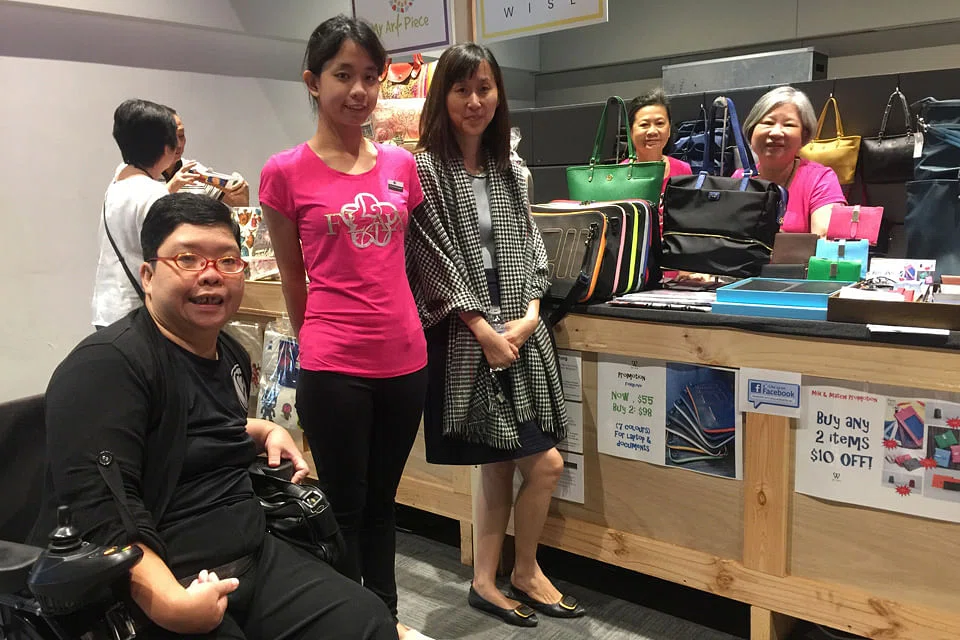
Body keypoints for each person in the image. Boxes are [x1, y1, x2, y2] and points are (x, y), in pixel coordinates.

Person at [33, 193, 397, 639]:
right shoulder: (106, 365)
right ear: (147, 276)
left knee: (366, 620)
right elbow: (101, 508)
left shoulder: (230, 355)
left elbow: (189, 429)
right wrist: (170, 603)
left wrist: (263, 429)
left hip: (251, 557)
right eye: (187, 259)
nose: (211, 275)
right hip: (161, 576)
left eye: (227, 260)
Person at [259, 16, 430, 640]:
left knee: (384, 505)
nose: (359, 91)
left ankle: (384, 619)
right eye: (343, 75)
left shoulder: (401, 165)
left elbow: (406, 262)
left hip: (406, 358)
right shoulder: (284, 171)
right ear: (313, 81)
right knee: (342, 507)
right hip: (334, 363)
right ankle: (344, 623)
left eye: (369, 77)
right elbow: (292, 277)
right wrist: (314, 345)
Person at [407, 43, 584, 628]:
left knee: (508, 462)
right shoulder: (425, 170)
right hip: (466, 333)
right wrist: (481, 328)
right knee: (539, 463)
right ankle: (519, 572)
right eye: (461, 89)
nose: (474, 101)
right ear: (443, 97)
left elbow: (532, 245)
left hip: (517, 324)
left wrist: (531, 313)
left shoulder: (511, 168)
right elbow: (431, 256)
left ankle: (490, 579)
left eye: (484, 88)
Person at [92, 99, 184, 329]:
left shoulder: (119, 180)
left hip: (108, 306)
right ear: (166, 147)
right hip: (136, 312)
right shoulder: (153, 193)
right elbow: (166, 256)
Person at [738, 86, 846, 236]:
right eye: (768, 122)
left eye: (789, 124)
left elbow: (824, 239)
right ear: (751, 130)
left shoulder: (820, 179)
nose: (776, 132)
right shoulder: (739, 178)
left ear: (804, 135)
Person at [161, 107, 251, 207]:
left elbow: (238, 204)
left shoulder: (196, 171)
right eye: (171, 138)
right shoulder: (147, 176)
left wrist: (240, 195)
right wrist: (170, 188)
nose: (179, 144)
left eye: (181, 135)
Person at [626, 88, 693, 196]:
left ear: (669, 129)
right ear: (631, 131)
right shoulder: (619, 175)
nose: (652, 131)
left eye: (659, 123)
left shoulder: (683, 170)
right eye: (644, 124)